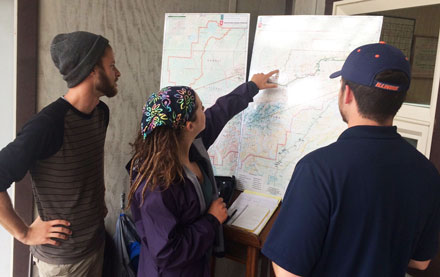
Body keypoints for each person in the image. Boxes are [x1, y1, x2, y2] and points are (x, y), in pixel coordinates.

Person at [262, 43, 440, 276]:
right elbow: (420, 262)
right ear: (399, 100)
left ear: (347, 93)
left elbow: (287, 270)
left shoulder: (318, 169)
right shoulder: (427, 173)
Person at [127, 70, 278, 276]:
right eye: (200, 107)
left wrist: (251, 87)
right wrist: (211, 220)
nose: (204, 110)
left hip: (195, 266)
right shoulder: (156, 184)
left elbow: (220, 112)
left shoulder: (188, 143)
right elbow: (168, 253)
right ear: (189, 125)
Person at [0, 31, 121, 276]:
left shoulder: (101, 113)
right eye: (111, 66)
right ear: (91, 70)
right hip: (63, 264)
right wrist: (23, 233)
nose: (117, 73)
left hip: (96, 245)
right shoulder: (48, 125)